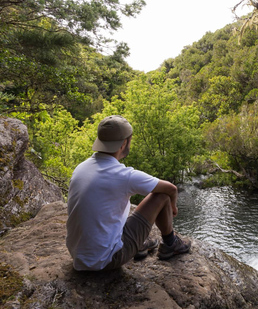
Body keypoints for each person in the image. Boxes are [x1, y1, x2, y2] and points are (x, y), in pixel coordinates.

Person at [66, 115, 191, 271]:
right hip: (106, 260)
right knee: (161, 196)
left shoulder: (81, 168)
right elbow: (171, 189)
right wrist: (173, 207)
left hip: (79, 256)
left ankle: (137, 246)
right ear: (124, 143)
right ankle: (170, 244)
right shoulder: (123, 175)